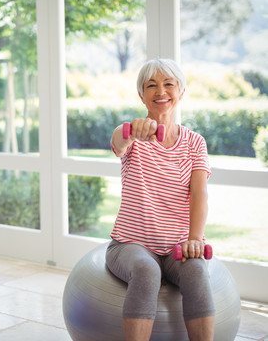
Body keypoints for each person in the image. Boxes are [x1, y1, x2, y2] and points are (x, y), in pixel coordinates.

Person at [106, 58, 215, 341]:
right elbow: (119, 142)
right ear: (141, 95)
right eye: (151, 85)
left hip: (177, 246)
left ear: (180, 91)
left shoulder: (195, 143)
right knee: (145, 270)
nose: (160, 91)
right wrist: (130, 131)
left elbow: (199, 192)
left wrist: (195, 238)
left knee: (196, 271)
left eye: (169, 83)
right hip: (131, 244)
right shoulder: (133, 135)